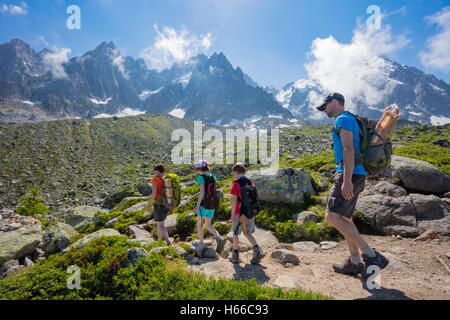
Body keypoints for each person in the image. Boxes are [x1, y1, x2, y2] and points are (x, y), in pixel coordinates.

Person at [317, 93, 389, 276]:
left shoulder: (343, 119)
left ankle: (372, 256)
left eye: (324, 106)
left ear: (334, 102)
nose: (324, 110)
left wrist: (346, 180)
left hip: (348, 174)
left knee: (331, 217)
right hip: (356, 173)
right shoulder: (352, 119)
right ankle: (355, 262)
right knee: (345, 219)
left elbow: (349, 149)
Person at [229, 163, 263, 265]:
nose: (233, 175)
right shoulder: (250, 182)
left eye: (233, 173)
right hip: (250, 212)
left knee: (235, 233)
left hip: (239, 213)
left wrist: (232, 215)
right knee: (247, 232)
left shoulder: (236, 183)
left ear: (236, 172)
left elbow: (235, 200)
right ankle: (257, 250)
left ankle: (235, 256)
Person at [193, 160, 225, 254]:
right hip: (212, 204)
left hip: (204, 204)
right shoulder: (213, 177)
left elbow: (202, 192)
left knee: (199, 224)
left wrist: (197, 206)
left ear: (200, 169)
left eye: (198, 169)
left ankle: (201, 243)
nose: (197, 171)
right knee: (208, 225)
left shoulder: (201, 178)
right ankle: (219, 237)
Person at [146, 163, 171, 246]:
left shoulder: (155, 179)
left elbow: (154, 193)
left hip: (159, 204)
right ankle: (159, 241)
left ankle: (168, 242)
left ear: (156, 170)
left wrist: (149, 205)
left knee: (161, 225)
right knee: (159, 223)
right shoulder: (165, 178)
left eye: (154, 170)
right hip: (166, 204)